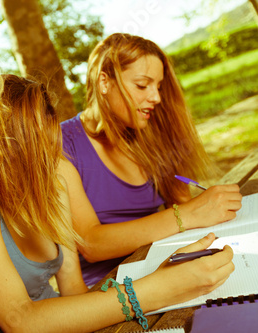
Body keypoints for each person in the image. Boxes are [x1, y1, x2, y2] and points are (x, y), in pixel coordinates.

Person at [0, 74, 234, 332]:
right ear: (2, 150)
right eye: (40, 153)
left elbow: (74, 292)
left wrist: (159, 279)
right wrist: (155, 289)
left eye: (53, 147)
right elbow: (19, 320)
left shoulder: (55, 178)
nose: (55, 161)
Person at [60, 33, 243, 286]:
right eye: (142, 85)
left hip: (165, 266)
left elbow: (184, 211)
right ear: (104, 81)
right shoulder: (62, 144)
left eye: (158, 86)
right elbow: (91, 243)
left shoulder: (153, 132)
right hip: (105, 289)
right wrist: (189, 213)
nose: (156, 97)